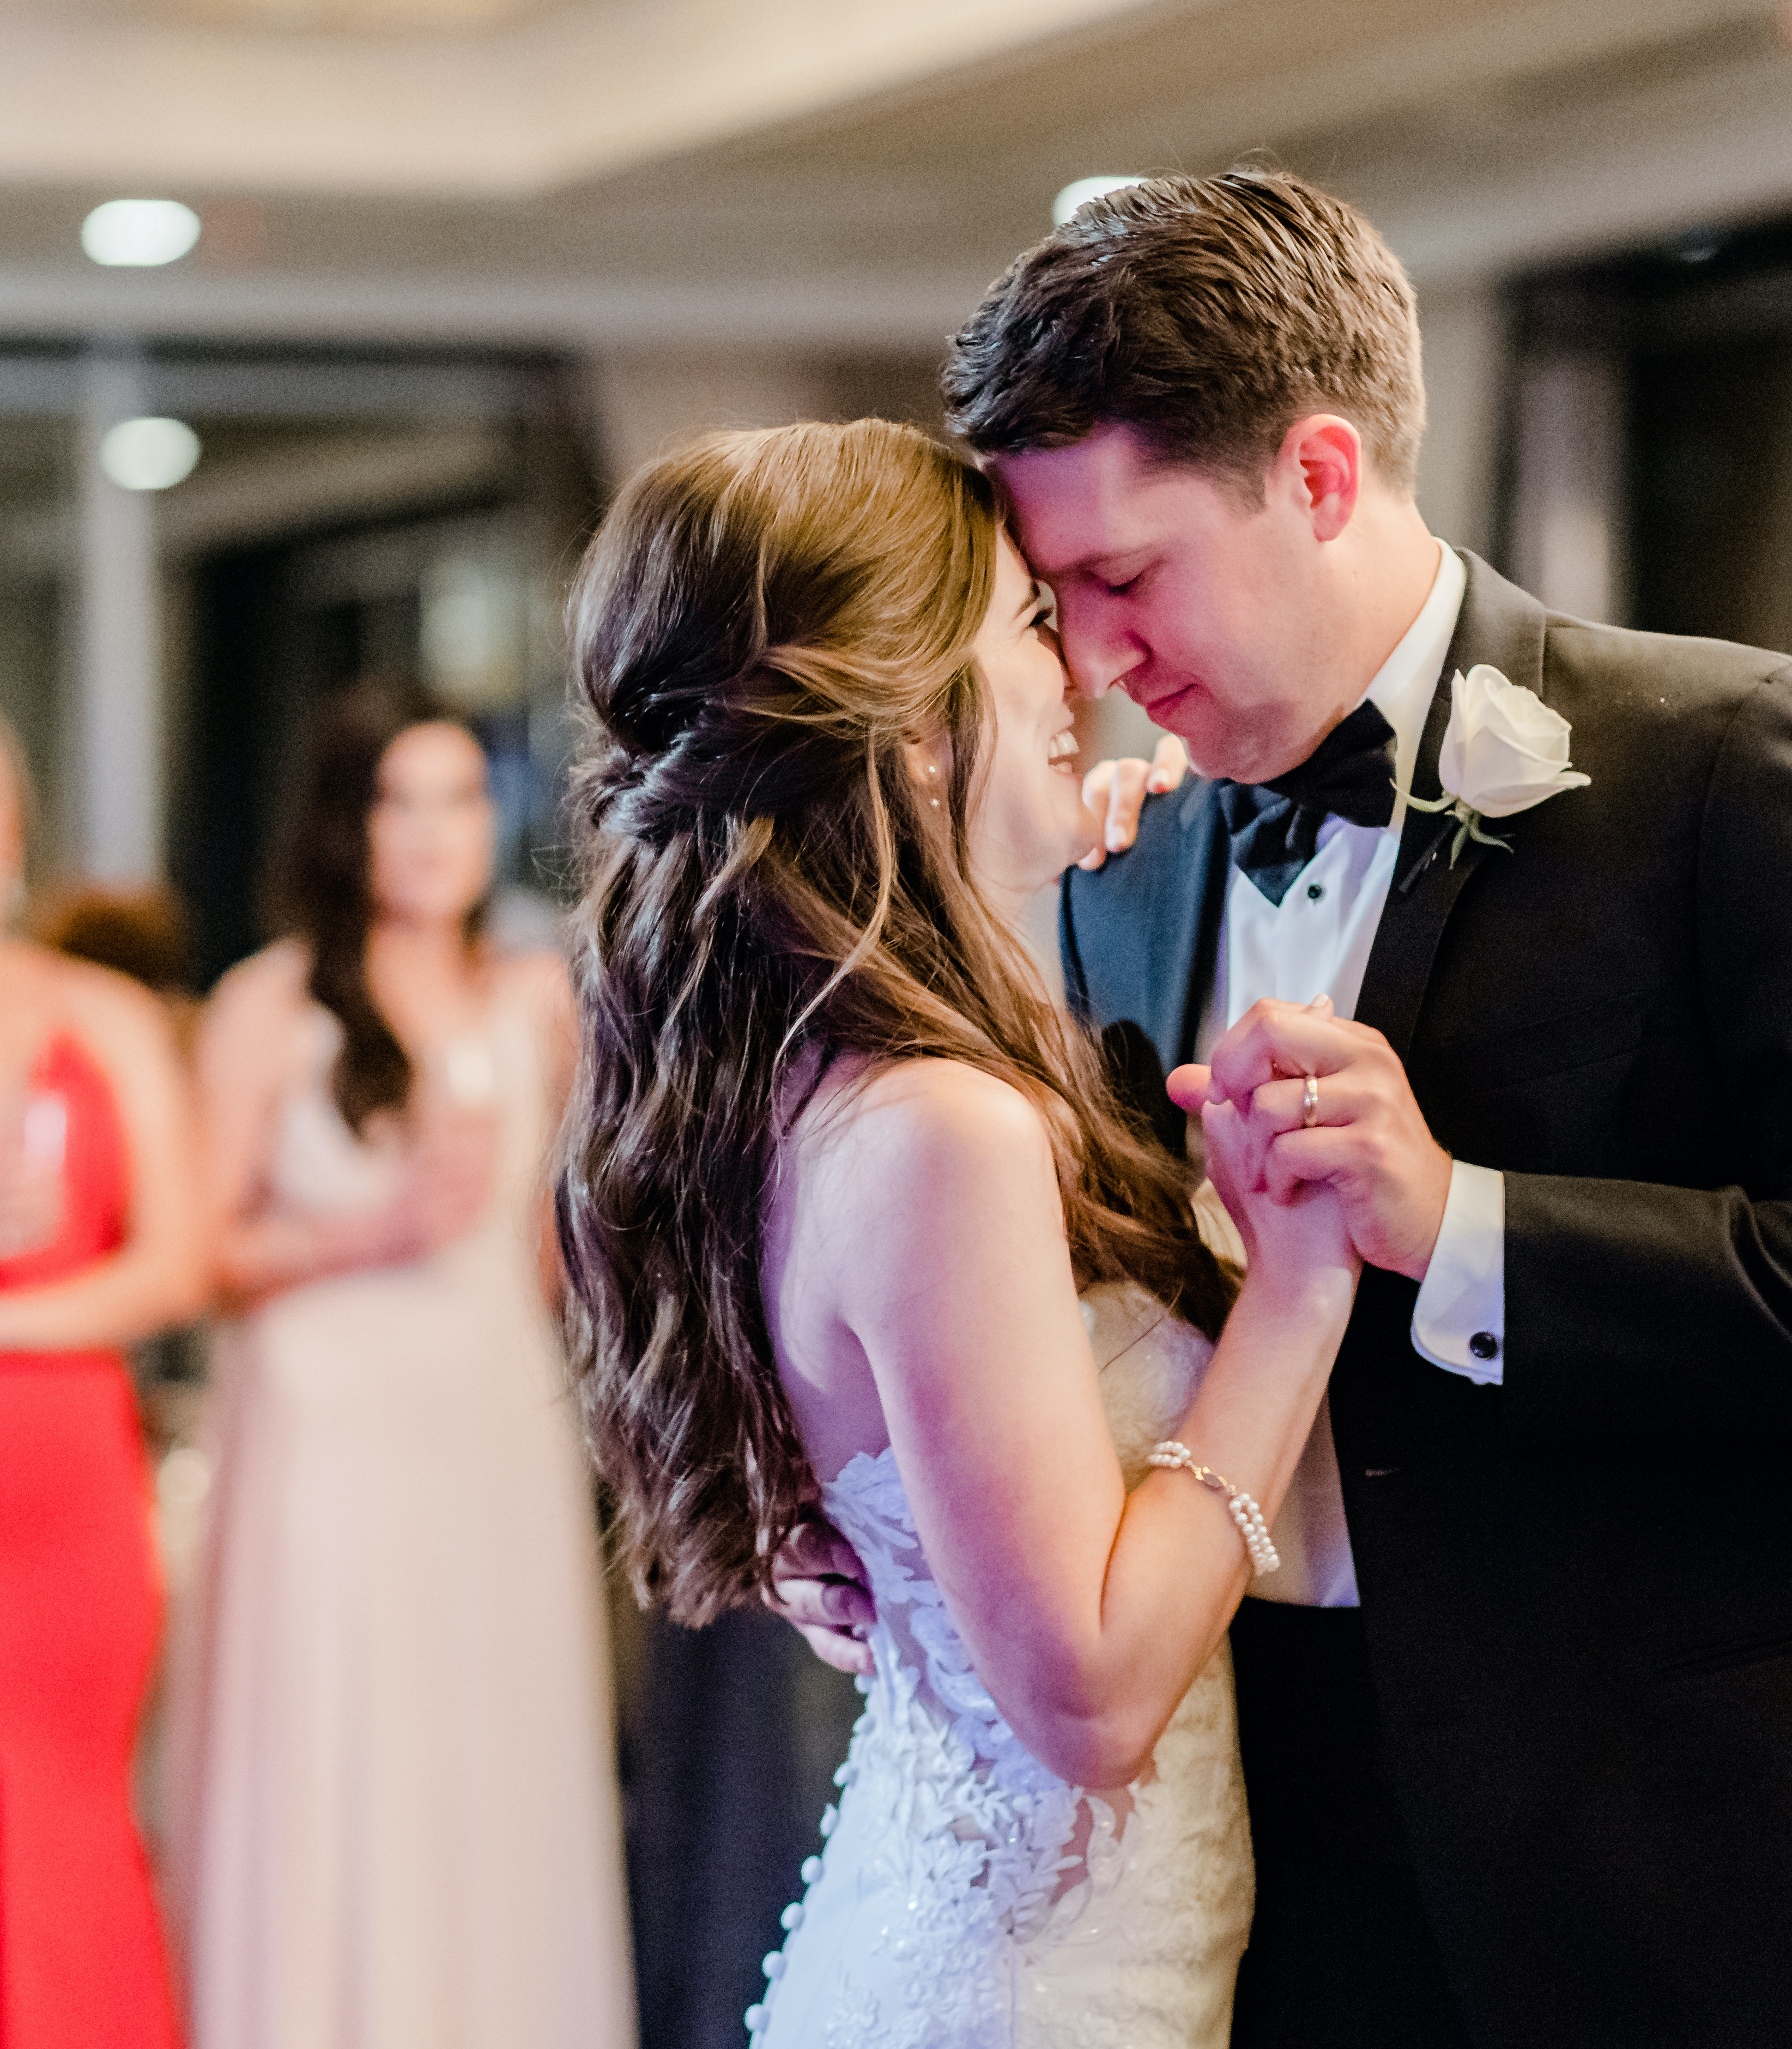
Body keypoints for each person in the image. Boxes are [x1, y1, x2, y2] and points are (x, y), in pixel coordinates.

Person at [772, 170, 1792, 2047]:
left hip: (1721, 1871)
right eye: (1054, 602)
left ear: (1320, 477)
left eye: (1124, 576)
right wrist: (877, 1521)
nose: (1092, 657)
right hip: (1286, 1866)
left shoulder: (1729, 763)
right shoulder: (1121, 872)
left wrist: (1461, 1225)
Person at [556, 418, 1364, 2046]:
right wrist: (1299, 1286)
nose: (1078, 672)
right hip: (1030, 1992)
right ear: (917, 729)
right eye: (1025, 627)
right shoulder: (943, 1129)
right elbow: (1091, 1696)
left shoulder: (815, 1078)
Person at [160, 680, 634, 2049]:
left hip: (490, 1420)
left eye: (458, 799)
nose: (431, 834)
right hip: (327, 1435)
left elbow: (560, 1259)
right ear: (345, 825)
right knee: (335, 1753)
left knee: (491, 1745)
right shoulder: (273, 1004)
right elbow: (199, 1249)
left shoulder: (537, 997)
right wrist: (373, 1227)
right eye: (397, 801)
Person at [0, 672, 208, 2048]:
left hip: (63, 1503)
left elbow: (182, 1261)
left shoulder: (104, 1019)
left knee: (69, 1832)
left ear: (14, 832)